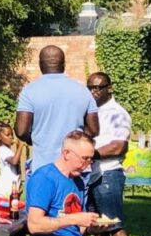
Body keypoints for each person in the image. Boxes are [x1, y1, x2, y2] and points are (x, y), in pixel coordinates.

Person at [15, 45, 97, 180]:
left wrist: (35, 138)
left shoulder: (30, 91)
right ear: (64, 64)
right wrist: (76, 140)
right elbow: (93, 130)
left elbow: (21, 131)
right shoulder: (82, 90)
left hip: (43, 168)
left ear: (40, 65)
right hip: (75, 169)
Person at [86, 71, 132, 236]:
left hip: (109, 173)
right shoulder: (91, 111)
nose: (93, 91)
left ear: (109, 88)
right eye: (90, 87)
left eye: (98, 87)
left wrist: (89, 154)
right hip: (92, 174)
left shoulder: (117, 114)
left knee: (115, 226)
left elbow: (119, 146)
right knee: (98, 227)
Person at [0, 122, 23, 200]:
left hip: (12, 187)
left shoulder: (8, 151)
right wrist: (20, 146)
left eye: (12, 134)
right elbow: (14, 161)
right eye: (7, 135)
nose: (11, 137)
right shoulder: (2, 150)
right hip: (5, 188)